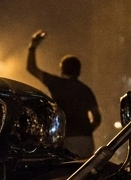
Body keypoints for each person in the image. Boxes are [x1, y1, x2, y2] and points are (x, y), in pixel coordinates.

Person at [26, 30, 101, 159]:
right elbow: (97, 118)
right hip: (86, 140)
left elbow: (31, 68)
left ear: (62, 69)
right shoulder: (86, 90)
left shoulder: (55, 83)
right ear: (79, 71)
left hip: (65, 138)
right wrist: (85, 130)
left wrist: (32, 46)